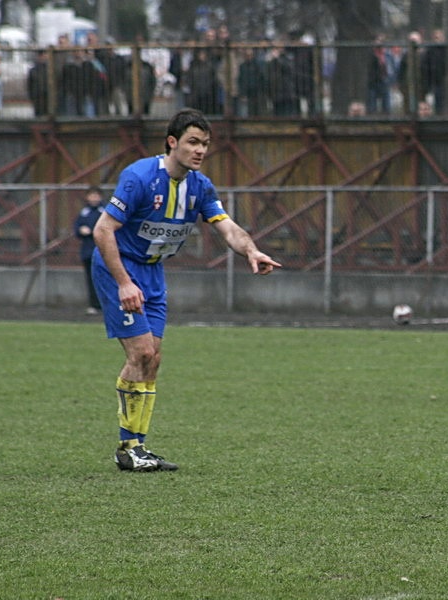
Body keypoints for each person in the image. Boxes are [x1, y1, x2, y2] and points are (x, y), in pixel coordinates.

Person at [92, 109, 282, 472]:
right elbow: (103, 231)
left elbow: (229, 229)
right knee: (141, 352)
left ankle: (138, 448)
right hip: (121, 269)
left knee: (154, 358)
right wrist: (123, 283)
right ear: (172, 142)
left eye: (206, 144)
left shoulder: (199, 186)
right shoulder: (139, 177)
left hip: (152, 273)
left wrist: (251, 250)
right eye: (194, 142)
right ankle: (127, 447)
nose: (200, 151)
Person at [74, 186, 105, 314]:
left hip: (103, 251)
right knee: (91, 279)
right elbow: (77, 228)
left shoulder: (104, 212)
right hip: (88, 252)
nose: (94, 198)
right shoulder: (84, 212)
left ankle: (106, 305)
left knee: (105, 279)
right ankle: (94, 305)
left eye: (96, 195)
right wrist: (81, 230)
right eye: (91, 195)